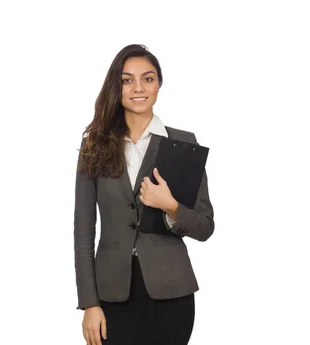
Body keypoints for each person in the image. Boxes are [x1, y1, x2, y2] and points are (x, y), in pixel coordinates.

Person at [74, 44, 214, 345]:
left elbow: (205, 226)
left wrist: (171, 206)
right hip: (111, 295)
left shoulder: (183, 143)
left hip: (171, 295)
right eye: (127, 80)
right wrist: (89, 303)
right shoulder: (94, 146)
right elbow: (83, 233)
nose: (139, 88)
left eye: (148, 79)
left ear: (159, 85)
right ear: (117, 85)